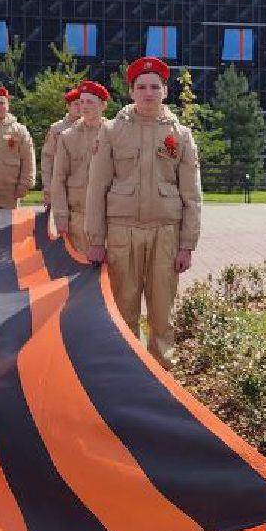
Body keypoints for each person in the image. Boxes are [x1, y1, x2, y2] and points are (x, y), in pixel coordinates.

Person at [81, 58, 202, 365]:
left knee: (163, 311)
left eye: (154, 87)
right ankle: (127, 371)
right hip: (123, 232)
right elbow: (97, 188)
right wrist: (96, 239)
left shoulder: (181, 136)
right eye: (141, 87)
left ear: (164, 90)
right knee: (124, 309)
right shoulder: (112, 131)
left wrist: (187, 244)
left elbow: (192, 194)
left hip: (166, 234)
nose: (148, 93)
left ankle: (161, 374)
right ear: (131, 91)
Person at [48, 79, 111, 249]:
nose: (84, 106)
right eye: (81, 102)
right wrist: (61, 216)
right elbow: (58, 178)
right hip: (77, 217)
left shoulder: (114, 134)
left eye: (90, 102)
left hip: (109, 218)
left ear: (103, 105)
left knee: (110, 272)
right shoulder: (67, 136)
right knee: (78, 270)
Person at [42, 87, 81, 208]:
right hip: (61, 183)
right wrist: (48, 187)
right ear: (68, 107)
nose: (80, 107)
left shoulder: (95, 126)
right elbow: (47, 158)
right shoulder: (57, 129)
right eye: (76, 104)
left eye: (82, 103)